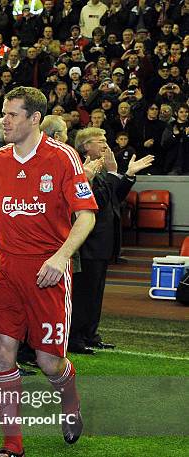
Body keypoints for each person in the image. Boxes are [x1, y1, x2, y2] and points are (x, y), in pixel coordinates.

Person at [0, 87, 98, 457]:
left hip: (47, 272)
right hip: (8, 269)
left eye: (12, 115)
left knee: (48, 362)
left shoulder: (63, 158)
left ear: (34, 119)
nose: (4, 121)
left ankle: (70, 401)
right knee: (2, 351)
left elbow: (86, 215)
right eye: (4, 114)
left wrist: (62, 257)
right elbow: (0, 205)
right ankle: (13, 445)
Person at [69, 129, 153, 354]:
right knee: (84, 293)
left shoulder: (100, 170)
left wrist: (126, 175)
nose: (106, 145)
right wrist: (112, 174)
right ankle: (75, 338)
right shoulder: (80, 170)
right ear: (86, 146)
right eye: (101, 141)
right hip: (88, 243)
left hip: (103, 242)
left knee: (96, 293)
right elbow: (93, 202)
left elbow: (115, 197)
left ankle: (90, 334)